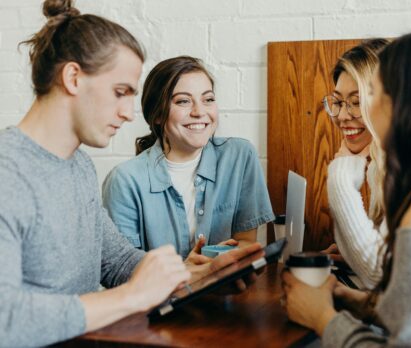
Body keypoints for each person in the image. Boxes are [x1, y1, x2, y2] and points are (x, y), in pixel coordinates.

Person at [0, 1, 261, 346]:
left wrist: (193, 276)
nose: (127, 113)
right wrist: (132, 297)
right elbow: (6, 320)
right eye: (120, 92)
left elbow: (118, 261)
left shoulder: (78, 166)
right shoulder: (9, 174)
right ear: (73, 77)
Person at [282, 27, 411, 346]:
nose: (349, 114)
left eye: (373, 93)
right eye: (339, 102)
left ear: (410, 103)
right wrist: (360, 303)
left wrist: (323, 318)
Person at [102, 56, 275, 263]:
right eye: (183, 101)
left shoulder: (239, 156)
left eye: (208, 99)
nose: (199, 112)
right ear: (157, 114)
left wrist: (221, 259)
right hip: (163, 295)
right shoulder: (124, 180)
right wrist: (188, 271)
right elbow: (123, 268)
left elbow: (246, 242)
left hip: (226, 290)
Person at [322, 39, 389, 289]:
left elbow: (378, 275)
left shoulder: (409, 169)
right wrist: (351, 254)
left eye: (356, 101)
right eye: (338, 102)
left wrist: (341, 174)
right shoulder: (379, 166)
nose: (341, 115)